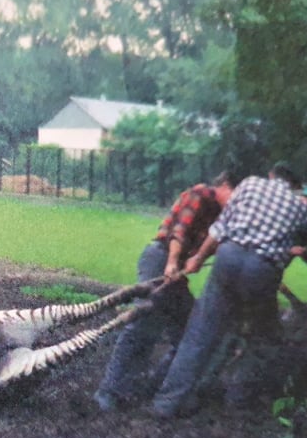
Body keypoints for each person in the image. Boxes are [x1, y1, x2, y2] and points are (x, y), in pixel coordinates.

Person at [152, 162, 307, 418]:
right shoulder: (300, 207)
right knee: (262, 337)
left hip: (228, 258)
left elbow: (220, 229)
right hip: (262, 271)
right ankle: (239, 400)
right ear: (296, 186)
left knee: (200, 332)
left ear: (271, 175)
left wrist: (198, 258)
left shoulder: (250, 184)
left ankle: (166, 404)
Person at [92, 171, 239, 412]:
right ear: (224, 185)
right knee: (143, 325)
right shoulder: (200, 194)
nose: (237, 202)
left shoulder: (228, 214)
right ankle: (109, 391)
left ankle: (153, 387)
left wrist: (198, 259)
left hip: (178, 268)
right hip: (160, 259)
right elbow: (179, 231)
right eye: (235, 194)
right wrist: (172, 263)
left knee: (189, 332)